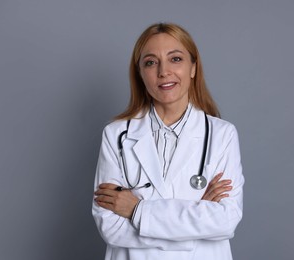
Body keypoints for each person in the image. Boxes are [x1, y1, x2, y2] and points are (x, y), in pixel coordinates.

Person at [92, 22, 244, 260]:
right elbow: (110, 227)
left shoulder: (222, 135)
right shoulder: (117, 135)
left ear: (193, 67)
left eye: (175, 59)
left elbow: (225, 220)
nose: (163, 72)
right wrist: (195, 223)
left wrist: (136, 210)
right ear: (140, 73)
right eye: (151, 62)